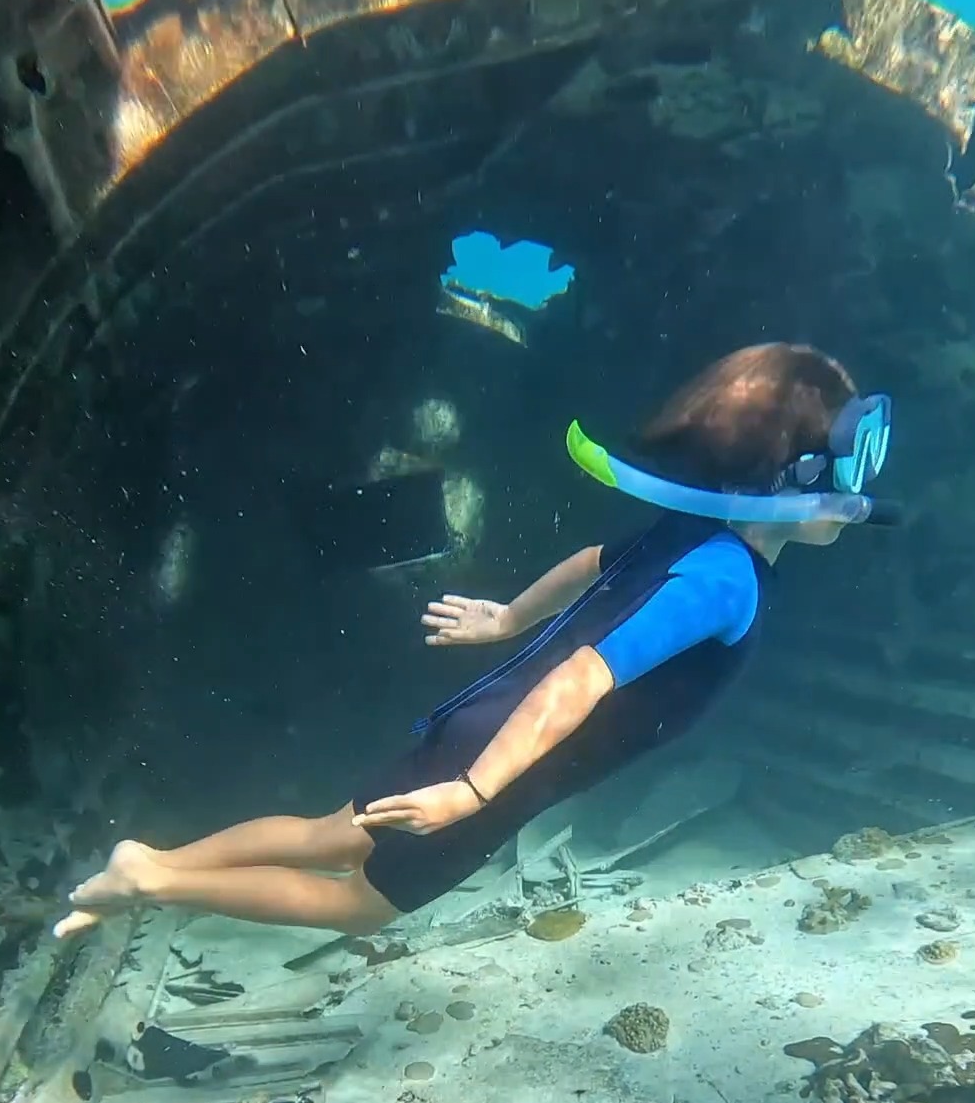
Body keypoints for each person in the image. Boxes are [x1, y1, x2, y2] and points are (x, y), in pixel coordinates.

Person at [54, 342, 893, 943]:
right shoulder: (730, 580)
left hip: (481, 722)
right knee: (361, 905)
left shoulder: (694, 531)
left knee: (331, 833)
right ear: (797, 480)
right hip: (506, 762)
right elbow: (582, 681)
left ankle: (143, 865)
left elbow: (594, 562)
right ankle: (152, 884)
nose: (864, 490)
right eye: (854, 462)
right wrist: (477, 795)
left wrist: (507, 619)